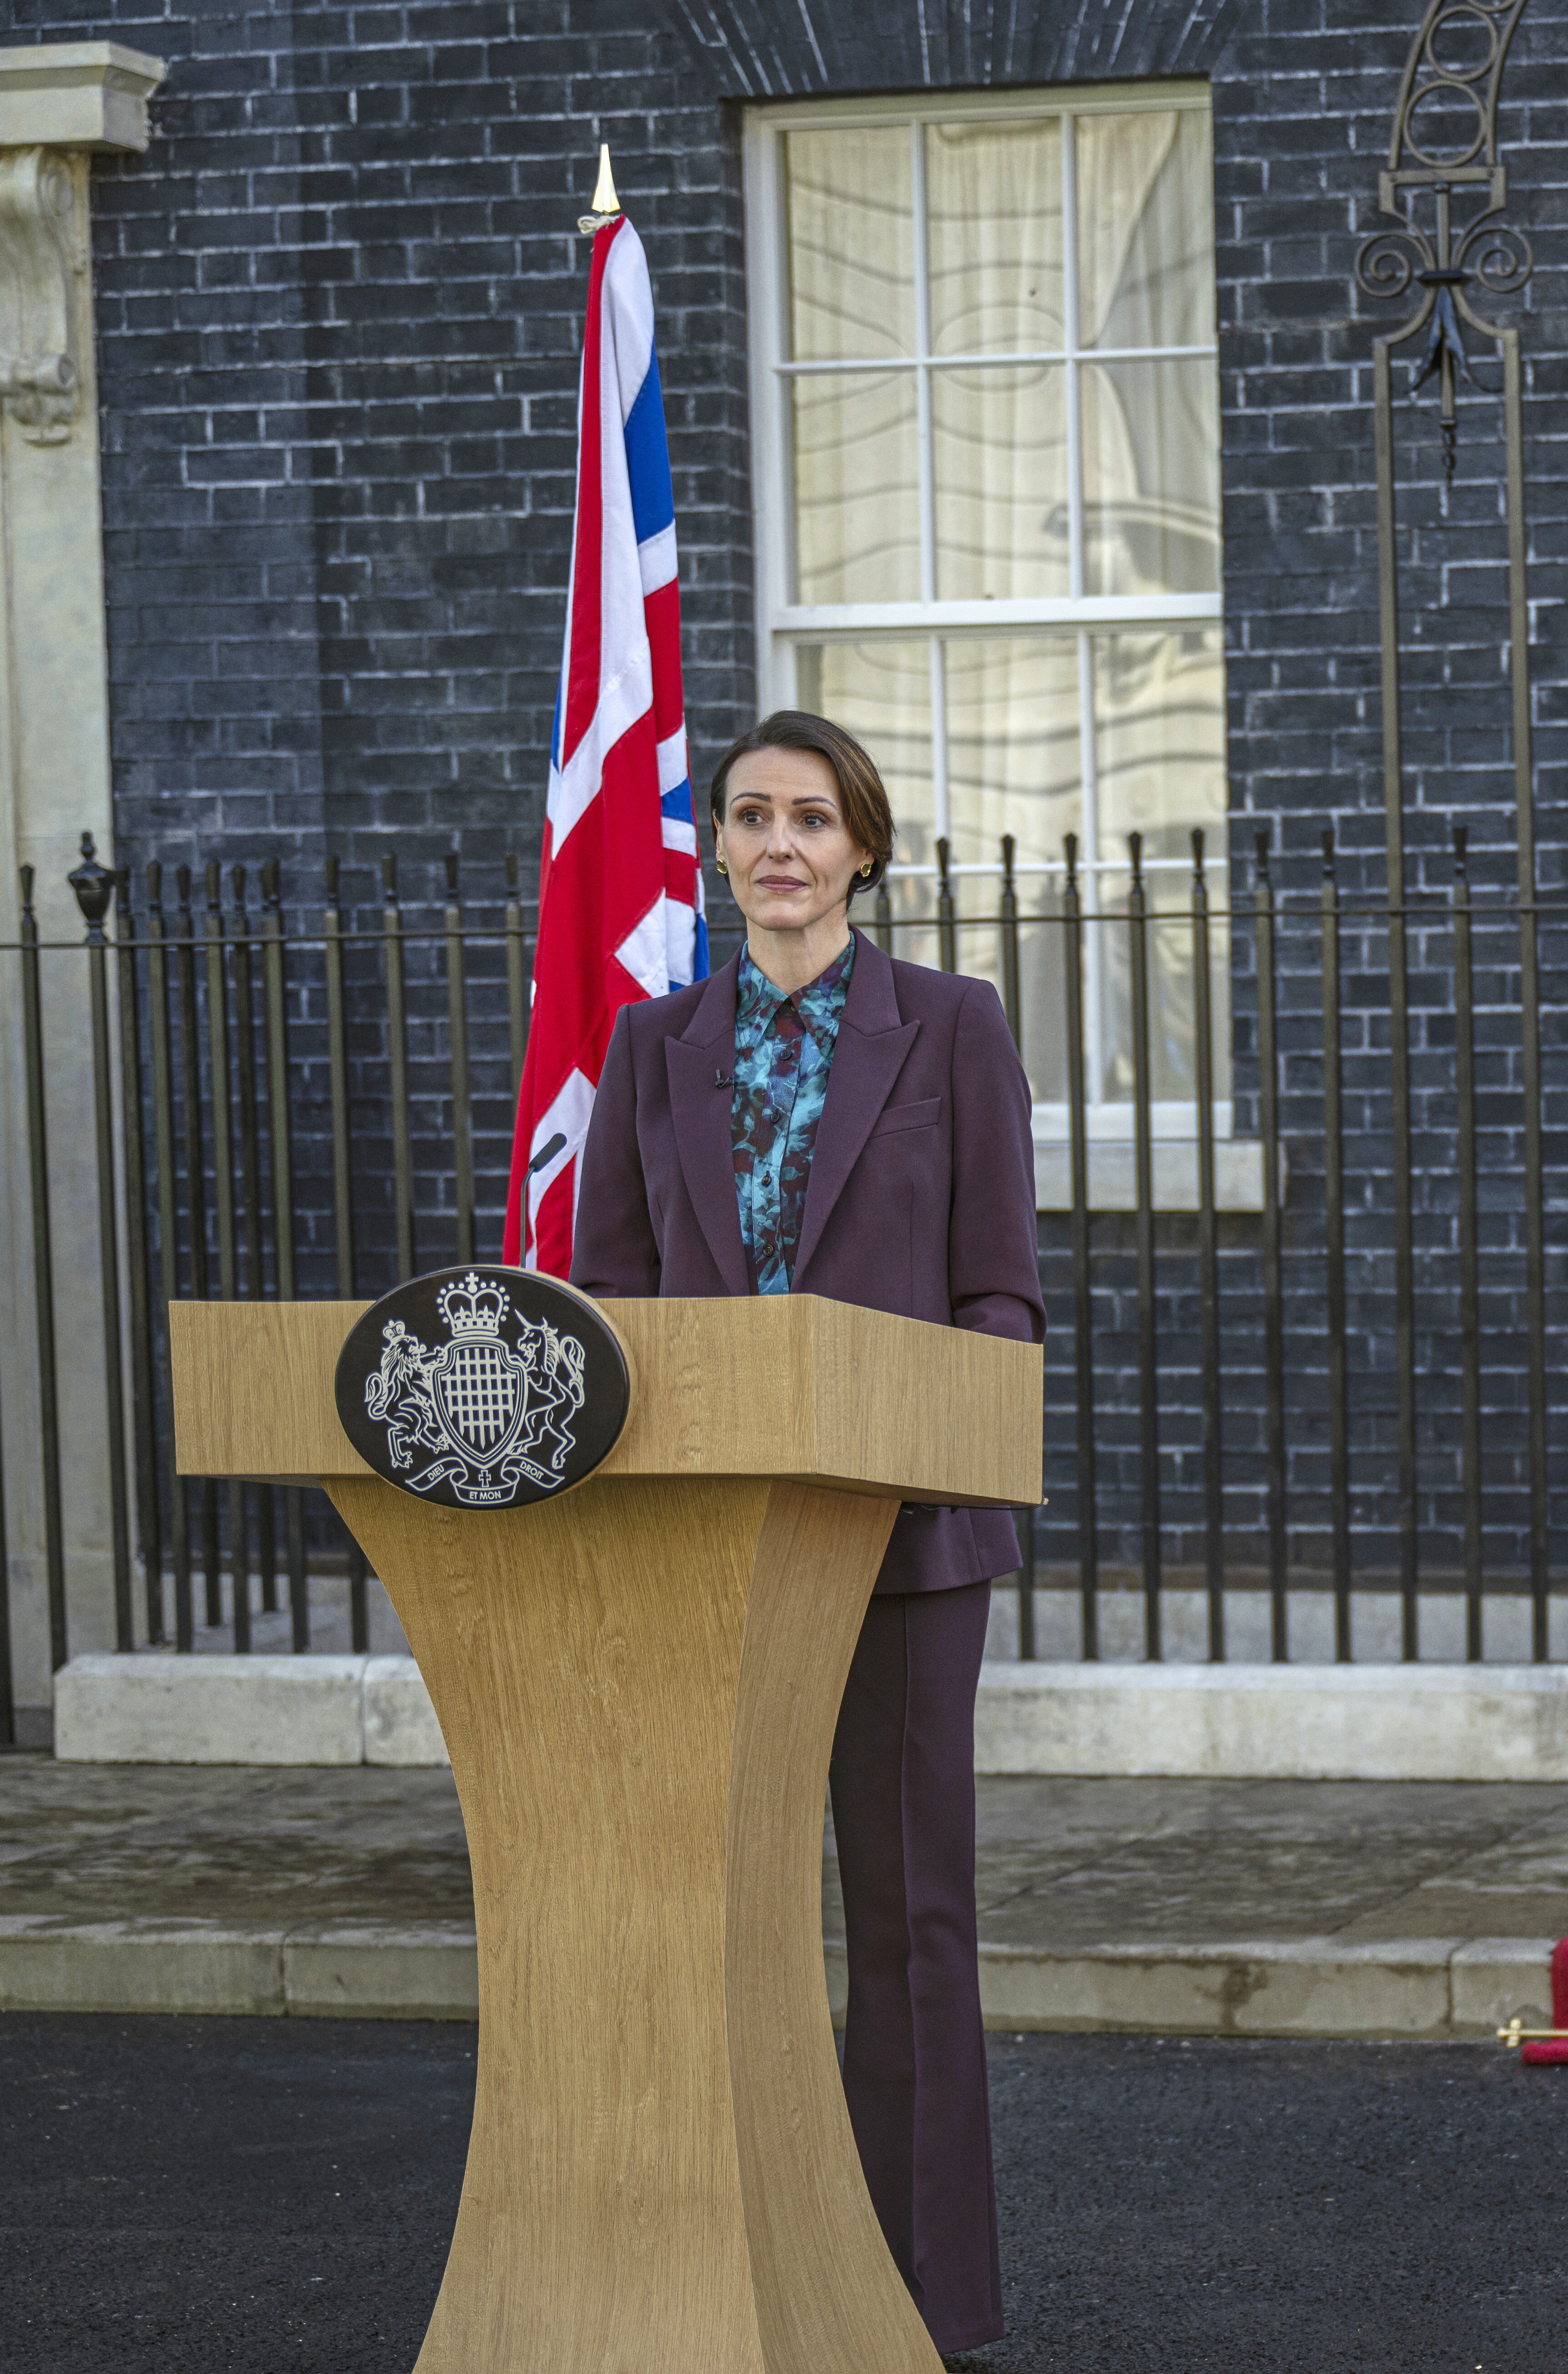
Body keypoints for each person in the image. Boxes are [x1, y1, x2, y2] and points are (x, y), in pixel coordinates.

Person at [572, 709, 1043, 2362]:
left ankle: (920, 2301)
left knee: (910, 1918)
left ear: (865, 849)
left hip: (906, 1548)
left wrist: (952, 1440)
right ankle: (744, 2263)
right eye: (754, 817)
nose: (783, 846)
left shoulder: (952, 1027)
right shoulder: (655, 1045)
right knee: (724, 1918)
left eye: (816, 820)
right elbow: (614, 1303)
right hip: (711, 1550)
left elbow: (997, 1291)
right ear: (715, 845)